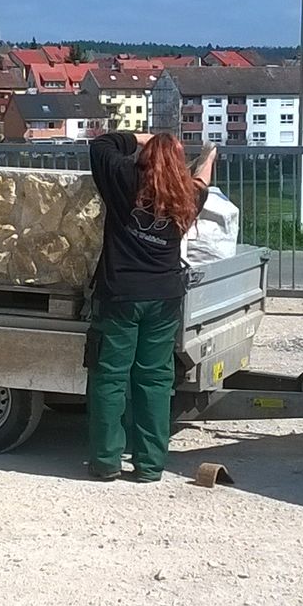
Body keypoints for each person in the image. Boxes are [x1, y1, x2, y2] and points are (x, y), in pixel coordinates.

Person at [84, 130, 216, 482]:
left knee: (110, 377)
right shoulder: (188, 196)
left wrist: (142, 137)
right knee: (155, 380)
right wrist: (209, 156)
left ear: (144, 158)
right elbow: (202, 179)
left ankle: (106, 461)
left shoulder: (123, 179)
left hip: (120, 295)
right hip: (163, 298)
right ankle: (149, 465)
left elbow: (100, 145)